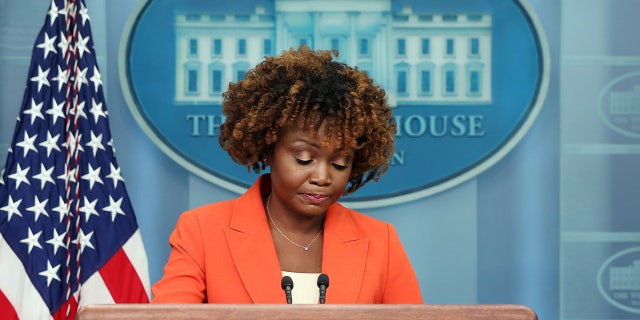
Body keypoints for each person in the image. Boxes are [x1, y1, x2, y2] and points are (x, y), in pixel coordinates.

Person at [151, 46, 423, 304]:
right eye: (304, 158)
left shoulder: (381, 241)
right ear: (268, 149)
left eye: (341, 163)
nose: (322, 176)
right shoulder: (202, 231)